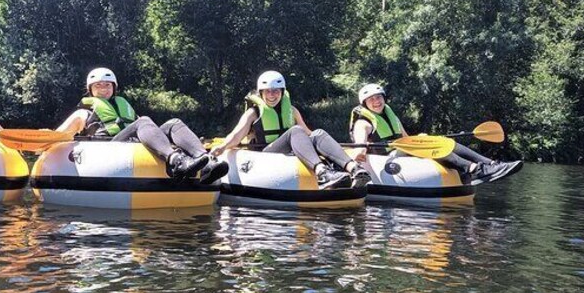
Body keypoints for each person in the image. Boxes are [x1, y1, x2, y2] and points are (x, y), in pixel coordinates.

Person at [56, 68, 228, 184]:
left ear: (114, 88)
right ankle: (176, 160)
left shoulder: (124, 106)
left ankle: (206, 164)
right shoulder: (83, 112)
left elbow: (146, 129)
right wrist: (46, 137)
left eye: (107, 85)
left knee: (174, 123)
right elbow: (61, 134)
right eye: (98, 86)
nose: (103, 89)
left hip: (132, 143)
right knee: (144, 120)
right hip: (109, 148)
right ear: (90, 89)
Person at [211, 71, 370, 189]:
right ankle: (322, 173)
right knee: (295, 131)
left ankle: (354, 169)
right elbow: (236, 136)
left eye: (276, 91)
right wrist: (223, 147)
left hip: (288, 153)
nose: (272, 95)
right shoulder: (253, 113)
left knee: (318, 133)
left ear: (282, 92)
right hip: (265, 155)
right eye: (268, 91)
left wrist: (329, 150)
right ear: (261, 93)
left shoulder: (291, 110)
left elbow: (308, 135)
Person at [349, 83, 523, 183]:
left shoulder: (389, 113)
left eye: (378, 97)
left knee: (444, 142)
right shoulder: (364, 122)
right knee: (428, 146)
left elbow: (406, 138)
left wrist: (420, 140)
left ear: (383, 98)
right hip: (385, 156)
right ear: (365, 104)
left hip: (400, 149)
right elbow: (359, 147)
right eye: (371, 100)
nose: (376, 102)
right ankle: (473, 169)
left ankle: (491, 164)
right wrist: (361, 151)